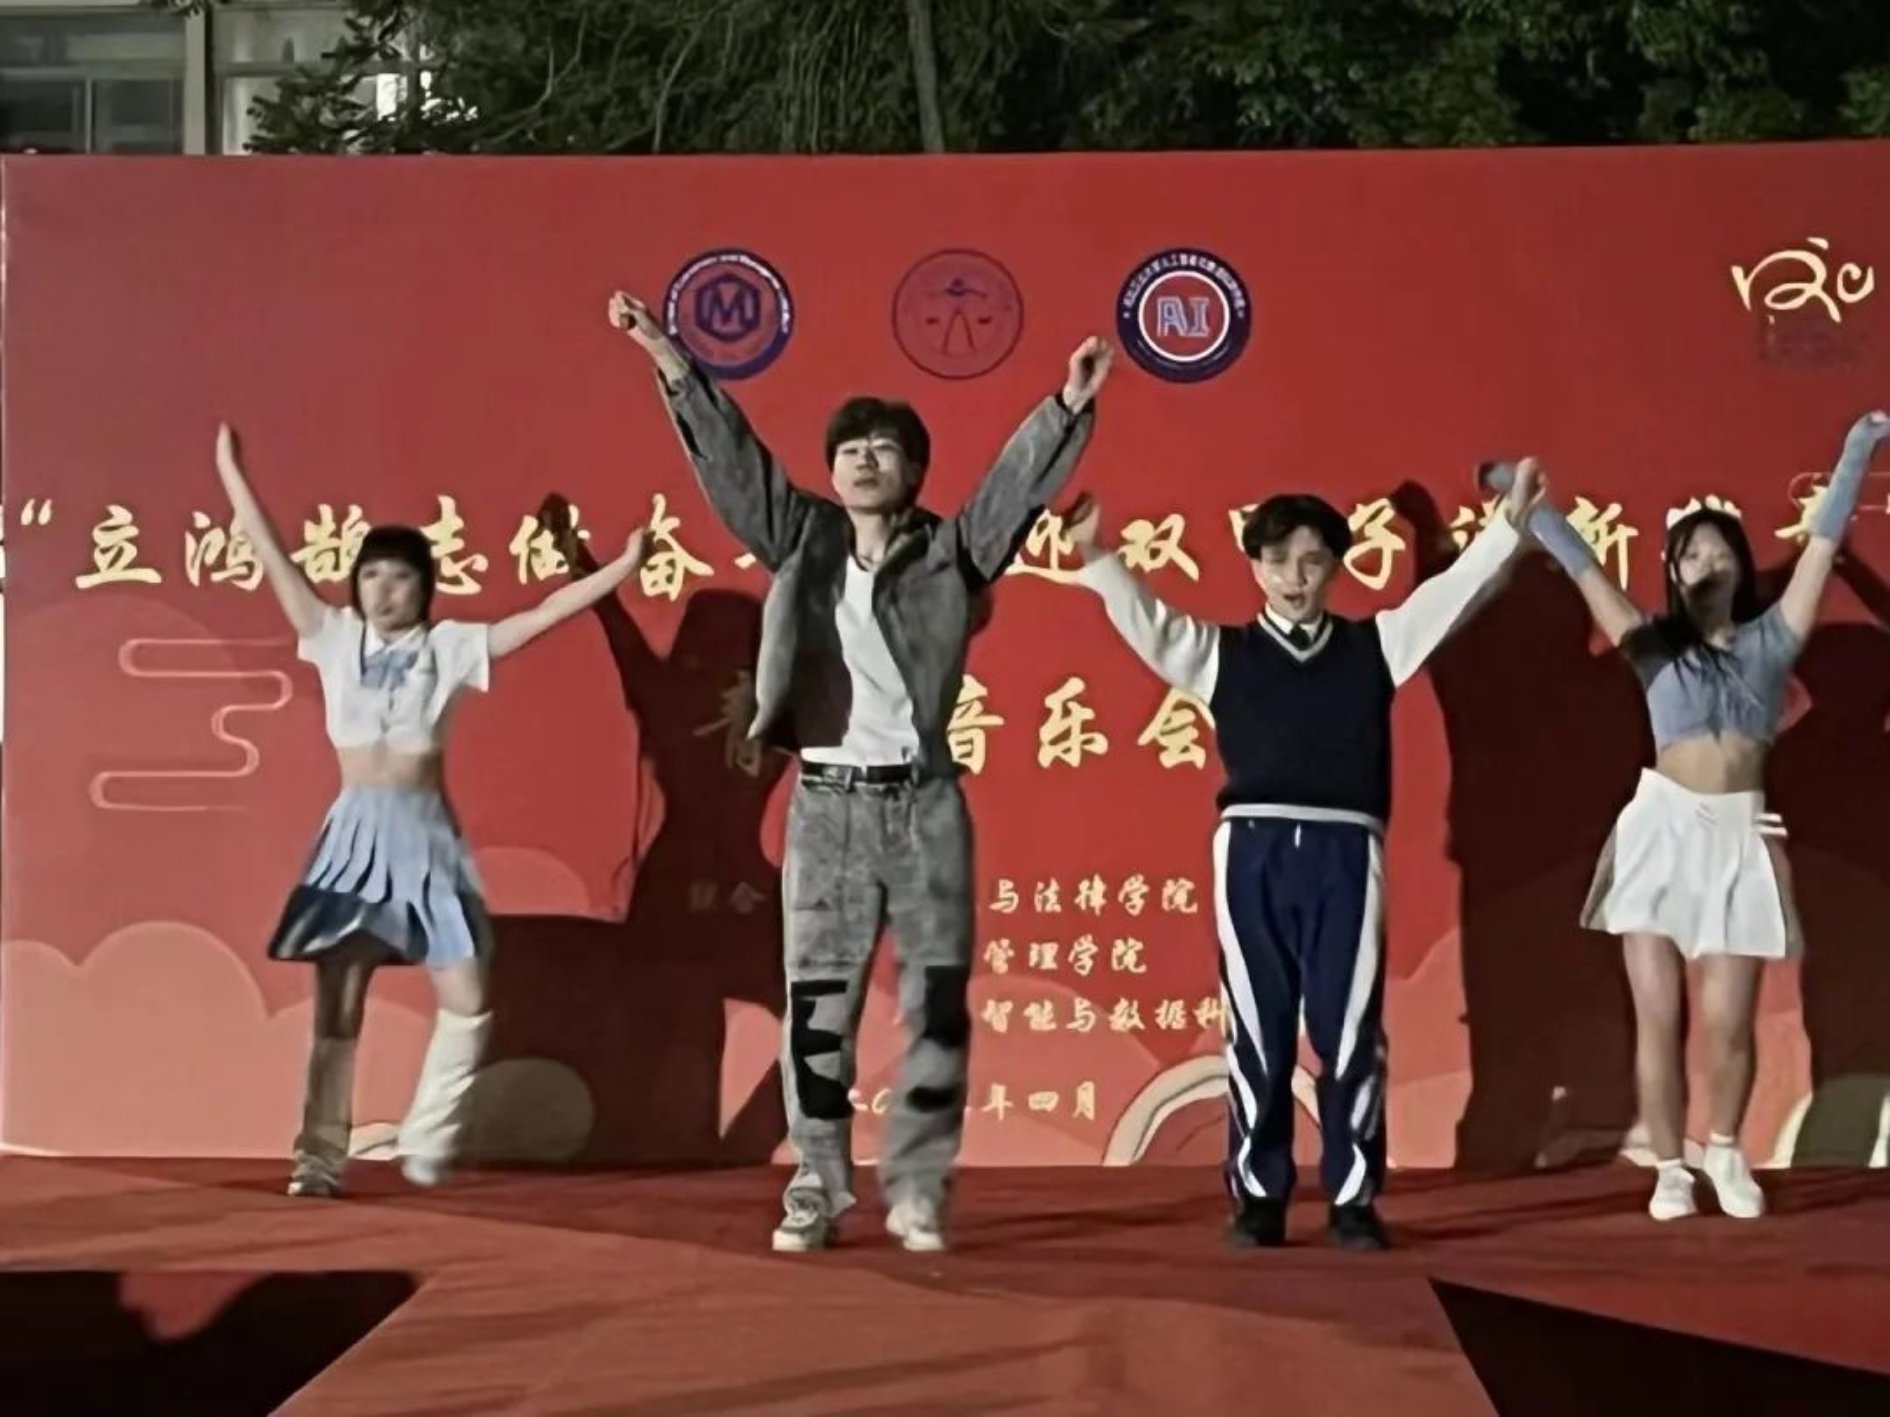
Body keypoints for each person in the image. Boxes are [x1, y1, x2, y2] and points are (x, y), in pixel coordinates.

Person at [607, 291, 1109, 1253]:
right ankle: (817, 1183)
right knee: (818, 1006)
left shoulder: (952, 554)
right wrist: (668, 358)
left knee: (933, 1002)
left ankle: (916, 1184)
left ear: (914, 471)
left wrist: (1067, 405)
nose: (864, 459)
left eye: (884, 448)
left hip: (924, 806)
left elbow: (1010, 494)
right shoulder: (802, 539)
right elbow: (735, 463)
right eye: (849, 449)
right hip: (828, 806)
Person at [1067, 466, 1543, 1250]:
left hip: (1345, 851)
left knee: (1348, 1027)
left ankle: (1354, 1200)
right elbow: (1151, 624)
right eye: (1280, 559)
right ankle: (1260, 1196)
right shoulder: (1224, 653)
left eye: (1314, 560)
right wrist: (1098, 555)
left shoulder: (1373, 647)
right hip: (1251, 851)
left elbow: (1447, 598)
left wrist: (1505, 528)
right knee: (1258, 1028)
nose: (1296, 576)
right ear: (1255, 566)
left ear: (1335, 568)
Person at [213, 423, 652, 1198]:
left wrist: (618, 566)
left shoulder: (451, 647)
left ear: (425, 585)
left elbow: (545, 615)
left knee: (469, 998)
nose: (384, 590)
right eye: (371, 575)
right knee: (339, 1005)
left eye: (400, 577)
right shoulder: (332, 635)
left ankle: (426, 1138)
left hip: (426, 839)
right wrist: (230, 472)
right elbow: (271, 555)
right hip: (353, 838)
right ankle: (318, 1158)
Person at [1486, 411, 1890, 1221]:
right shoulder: (1647, 640)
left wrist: (1859, 444)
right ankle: (1672, 1169)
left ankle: (1727, 1152)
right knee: (1657, 1018)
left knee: (1729, 1022)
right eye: (1690, 552)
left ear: (1739, 565)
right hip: (1660, 830)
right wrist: (1514, 491)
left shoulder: (1775, 638)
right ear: (1673, 570)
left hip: (1739, 832)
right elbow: (1580, 562)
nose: (1706, 560)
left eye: (1719, 549)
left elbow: (1822, 541)